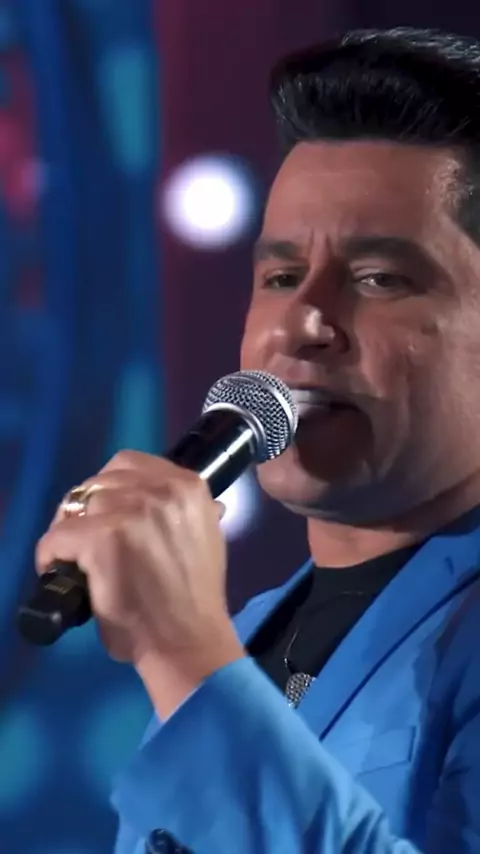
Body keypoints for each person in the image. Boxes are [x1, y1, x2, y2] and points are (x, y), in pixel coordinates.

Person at [37, 26, 480, 854]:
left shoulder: (200, 658)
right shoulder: (243, 639)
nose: (302, 322)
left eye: (379, 279)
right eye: (280, 276)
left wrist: (183, 653)